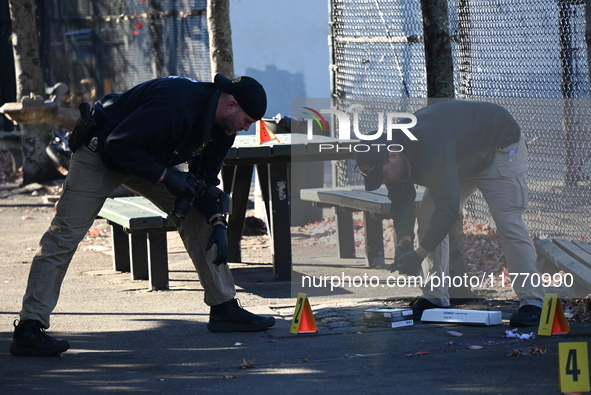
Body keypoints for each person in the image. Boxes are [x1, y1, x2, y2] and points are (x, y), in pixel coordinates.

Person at [9, 74, 276, 357]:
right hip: (101, 153)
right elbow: (118, 144)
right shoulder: (177, 103)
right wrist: (165, 177)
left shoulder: (224, 129)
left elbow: (204, 181)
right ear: (231, 105)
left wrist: (217, 222)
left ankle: (224, 308)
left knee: (200, 217)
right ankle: (30, 326)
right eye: (247, 120)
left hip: (147, 159)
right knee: (64, 233)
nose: (247, 128)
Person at [354, 100, 544, 327]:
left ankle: (533, 301)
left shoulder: (429, 143)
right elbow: (401, 202)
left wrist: (419, 254)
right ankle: (434, 298)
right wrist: (404, 242)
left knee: (508, 222)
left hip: (499, 147)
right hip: (457, 158)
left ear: (393, 155)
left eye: (382, 175)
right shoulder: (392, 156)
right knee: (426, 218)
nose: (383, 181)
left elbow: (448, 209)